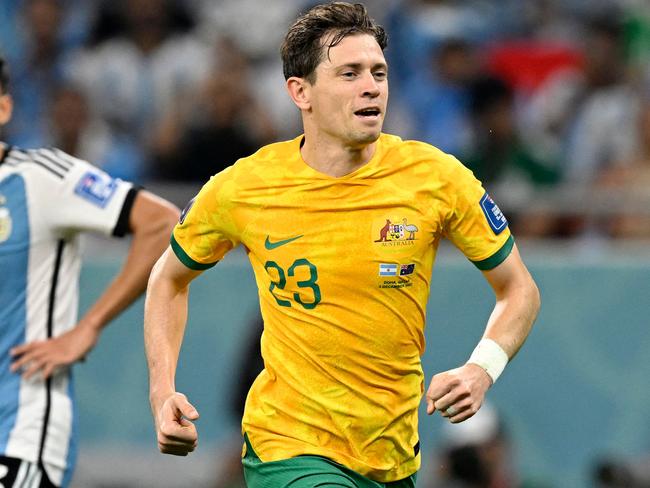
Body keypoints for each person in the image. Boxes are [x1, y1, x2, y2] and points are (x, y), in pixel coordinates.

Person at [144, 3, 540, 487]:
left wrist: (482, 369)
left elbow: (519, 288)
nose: (371, 86)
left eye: (379, 72)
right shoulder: (243, 187)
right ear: (301, 92)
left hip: (392, 458)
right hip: (288, 450)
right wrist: (162, 391)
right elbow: (168, 278)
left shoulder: (435, 179)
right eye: (349, 74)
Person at [0, 55, 179, 487]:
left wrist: (88, 327)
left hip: (21, 431)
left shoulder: (39, 177)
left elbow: (161, 221)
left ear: (3, 108)